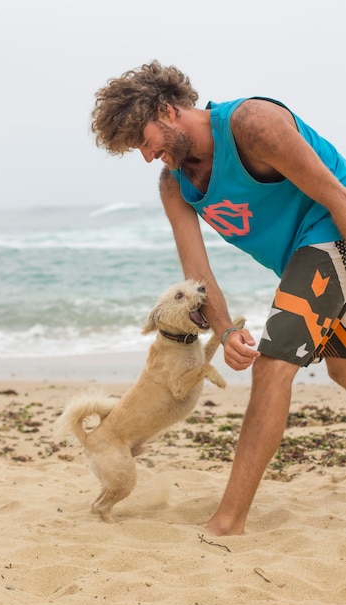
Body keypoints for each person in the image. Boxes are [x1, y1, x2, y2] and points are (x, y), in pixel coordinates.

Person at [90, 60, 346, 535]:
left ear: (168, 111)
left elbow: (338, 196)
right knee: (341, 368)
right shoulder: (176, 186)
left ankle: (228, 522)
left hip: (336, 235)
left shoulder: (253, 124)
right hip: (304, 262)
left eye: (144, 141)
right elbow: (198, 276)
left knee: (273, 364)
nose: (147, 157)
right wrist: (226, 330)